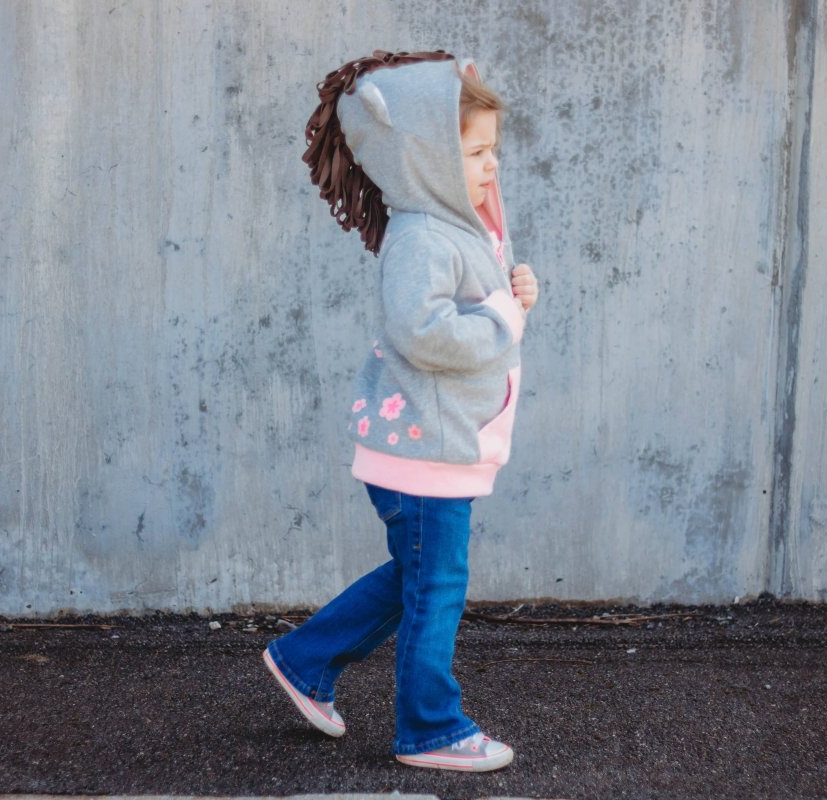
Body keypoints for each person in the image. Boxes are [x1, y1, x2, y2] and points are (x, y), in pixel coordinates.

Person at [262, 50, 539, 773]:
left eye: (493, 151)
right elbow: (422, 333)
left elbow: (475, 309)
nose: (491, 166)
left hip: (437, 447)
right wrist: (505, 319)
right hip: (424, 455)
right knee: (437, 588)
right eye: (475, 152)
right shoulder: (422, 237)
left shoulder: (458, 231)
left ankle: (303, 659)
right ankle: (430, 727)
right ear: (428, 159)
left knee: (414, 576)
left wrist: (513, 292)